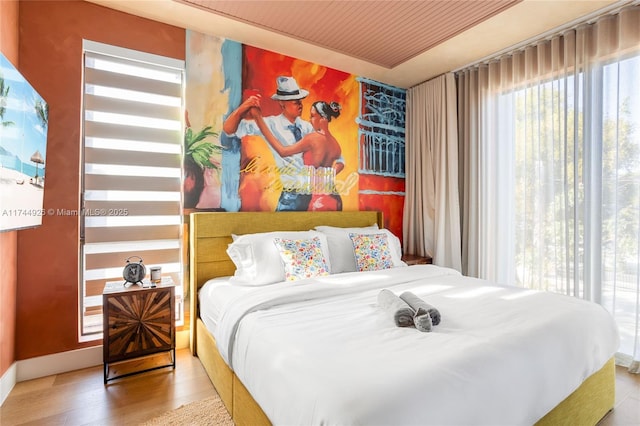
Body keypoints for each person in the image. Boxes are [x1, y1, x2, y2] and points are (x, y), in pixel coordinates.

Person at [222, 76, 343, 211]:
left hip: (311, 196)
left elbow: (336, 156)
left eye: (300, 101)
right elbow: (229, 130)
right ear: (282, 103)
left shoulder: (307, 128)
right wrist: (243, 108)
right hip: (290, 196)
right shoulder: (270, 124)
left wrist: (324, 178)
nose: (300, 105)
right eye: (295, 102)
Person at [249, 101, 344, 211]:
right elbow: (341, 163)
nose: (310, 120)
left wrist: (259, 120)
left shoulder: (312, 138)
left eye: (313, 116)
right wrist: (325, 176)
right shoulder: (335, 143)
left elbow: (283, 151)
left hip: (317, 202)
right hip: (335, 199)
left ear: (323, 118)